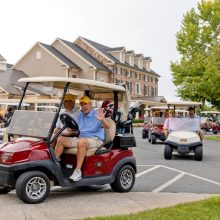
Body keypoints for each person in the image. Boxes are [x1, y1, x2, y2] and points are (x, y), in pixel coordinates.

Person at [54, 95, 109, 181]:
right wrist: (71, 132)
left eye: (86, 104)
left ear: (91, 104)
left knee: (82, 142)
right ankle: (54, 165)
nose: (84, 106)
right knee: (60, 139)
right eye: (82, 105)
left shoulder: (97, 115)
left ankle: (78, 171)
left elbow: (106, 127)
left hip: (96, 140)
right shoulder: (81, 115)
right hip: (82, 138)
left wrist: (102, 119)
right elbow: (78, 131)